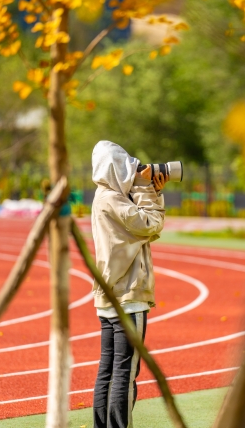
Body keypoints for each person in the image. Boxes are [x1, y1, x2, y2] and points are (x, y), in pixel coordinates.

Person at [90, 140, 168, 428]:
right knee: (125, 371)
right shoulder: (114, 200)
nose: (132, 172)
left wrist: (145, 190)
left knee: (108, 370)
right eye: (127, 167)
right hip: (128, 295)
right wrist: (149, 191)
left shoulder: (103, 197)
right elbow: (149, 224)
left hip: (109, 296)